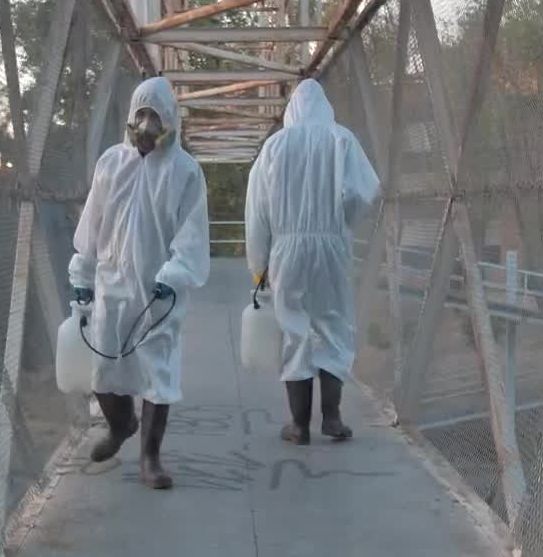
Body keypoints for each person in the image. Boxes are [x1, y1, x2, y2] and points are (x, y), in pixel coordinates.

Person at [69, 77, 211, 489]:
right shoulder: (111, 163)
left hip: (157, 291)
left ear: (170, 120)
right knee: (104, 369)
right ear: (131, 117)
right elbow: (92, 226)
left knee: (157, 372)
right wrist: (82, 274)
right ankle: (120, 426)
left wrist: (173, 275)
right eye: (141, 115)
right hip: (110, 285)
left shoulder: (184, 171)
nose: (148, 125)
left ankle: (150, 458)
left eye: (156, 116)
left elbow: (191, 234)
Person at [244, 79, 379, 445]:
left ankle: (299, 425)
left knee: (294, 329)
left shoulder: (275, 146)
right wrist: (341, 221)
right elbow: (364, 190)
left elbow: (257, 210)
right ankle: (332, 418)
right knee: (335, 325)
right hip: (331, 243)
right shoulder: (341, 139)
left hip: (287, 247)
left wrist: (259, 264)